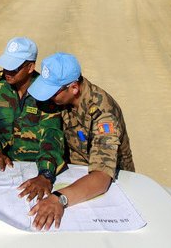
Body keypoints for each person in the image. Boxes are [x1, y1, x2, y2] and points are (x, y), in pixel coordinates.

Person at [26, 52, 135, 230]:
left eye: (52, 92)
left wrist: (58, 199)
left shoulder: (103, 113)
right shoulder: (63, 98)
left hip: (111, 185)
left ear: (74, 88)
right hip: (75, 176)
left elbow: (101, 177)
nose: (48, 98)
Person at [0, 37, 65, 201]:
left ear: (30, 67)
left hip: (35, 169)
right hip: (2, 166)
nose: (7, 72)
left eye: (14, 68)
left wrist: (45, 174)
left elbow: (51, 134)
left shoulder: (45, 92)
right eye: (5, 66)